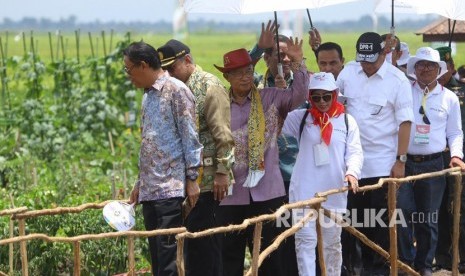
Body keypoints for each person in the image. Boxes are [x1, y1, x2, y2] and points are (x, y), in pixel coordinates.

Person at [215, 37, 309, 276]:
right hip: (231, 194)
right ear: (227, 77)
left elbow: (298, 96)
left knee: (271, 256)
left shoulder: (270, 97)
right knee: (229, 256)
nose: (245, 77)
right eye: (238, 73)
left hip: (268, 191)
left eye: (248, 71)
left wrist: (298, 63)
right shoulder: (219, 104)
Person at [336, 32, 414, 276]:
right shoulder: (348, 73)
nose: (366, 64)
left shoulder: (397, 80)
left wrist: (400, 161)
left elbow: (405, 123)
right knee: (355, 227)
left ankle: (381, 271)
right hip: (351, 168)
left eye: (371, 59)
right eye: (362, 59)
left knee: (382, 228)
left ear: (384, 53)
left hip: (383, 167)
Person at [157, 39, 235, 276]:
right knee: (190, 245)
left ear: (188, 61)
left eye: (172, 68)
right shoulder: (175, 88)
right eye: (165, 70)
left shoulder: (209, 86)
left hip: (210, 181)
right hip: (185, 180)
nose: (169, 74)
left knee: (205, 244)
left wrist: (223, 172)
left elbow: (224, 135)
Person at [124, 41, 203, 276]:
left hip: (170, 189)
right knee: (157, 258)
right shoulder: (147, 96)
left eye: (129, 70)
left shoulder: (176, 90)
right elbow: (148, 143)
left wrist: (192, 178)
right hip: (150, 190)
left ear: (144, 65)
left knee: (171, 259)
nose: (129, 77)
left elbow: (190, 136)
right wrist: (140, 183)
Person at [282, 72, 363, 276]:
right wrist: (283, 92)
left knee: (332, 244)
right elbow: (277, 114)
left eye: (326, 96)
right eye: (316, 97)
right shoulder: (300, 118)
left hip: (334, 191)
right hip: (304, 191)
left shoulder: (346, 121)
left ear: (335, 94)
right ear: (310, 98)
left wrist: (352, 173)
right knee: (305, 243)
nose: (322, 102)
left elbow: (354, 151)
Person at [397, 46, 465, 276]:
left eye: (430, 65)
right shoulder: (403, 90)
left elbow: (455, 132)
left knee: (428, 218)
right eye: (421, 65)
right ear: (414, 68)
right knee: (402, 214)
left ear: (439, 70)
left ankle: (424, 266)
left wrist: (456, 156)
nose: (425, 69)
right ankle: (406, 263)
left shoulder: (450, 98)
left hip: (434, 164)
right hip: (404, 162)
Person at [432, 46, 465, 273]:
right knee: (439, 211)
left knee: (460, 212)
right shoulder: (426, 94)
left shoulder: (458, 93)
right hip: (435, 160)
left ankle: (461, 258)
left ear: (451, 67)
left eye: (444, 68)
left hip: (459, 159)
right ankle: (442, 258)